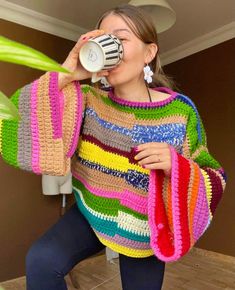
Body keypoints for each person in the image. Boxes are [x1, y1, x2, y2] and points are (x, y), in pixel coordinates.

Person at [0, 4, 227, 290]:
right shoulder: (86, 99)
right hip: (90, 212)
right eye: (102, 38)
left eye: (120, 38)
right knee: (41, 260)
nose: (110, 46)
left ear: (149, 52)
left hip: (144, 230)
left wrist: (176, 166)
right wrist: (67, 73)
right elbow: (16, 117)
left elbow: (213, 175)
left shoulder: (181, 112)